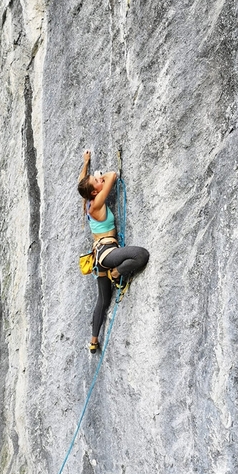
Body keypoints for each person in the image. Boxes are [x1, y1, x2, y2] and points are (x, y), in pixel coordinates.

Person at [78, 150, 149, 353]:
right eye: (96, 181)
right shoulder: (97, 203)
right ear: (94, 193)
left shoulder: (87, 202)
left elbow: (83, 184)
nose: (99, 179)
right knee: (141, 255)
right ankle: (116, 273)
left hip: (98, 256)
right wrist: (101, 176)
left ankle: (93, 341)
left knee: (103, 299)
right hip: (106, 254)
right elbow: (113, 176)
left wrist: (86, 165)